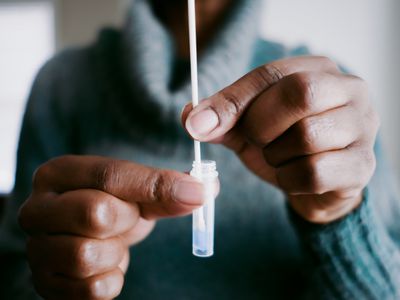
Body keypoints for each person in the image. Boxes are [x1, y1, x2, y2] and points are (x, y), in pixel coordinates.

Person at [1, 0, 400, 298]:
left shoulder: (326, 96)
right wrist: (60, 278)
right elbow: (16, 272)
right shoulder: (64, 84)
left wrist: (336, 217)